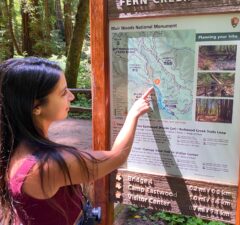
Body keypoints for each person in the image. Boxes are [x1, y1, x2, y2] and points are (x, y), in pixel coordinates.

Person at [0, 57, 154, 225]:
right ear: (36, 107)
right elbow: (117, 156)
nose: (71, 96)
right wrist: (133, 114)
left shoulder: (13, 146)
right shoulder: (48, 164)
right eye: (63, 92)